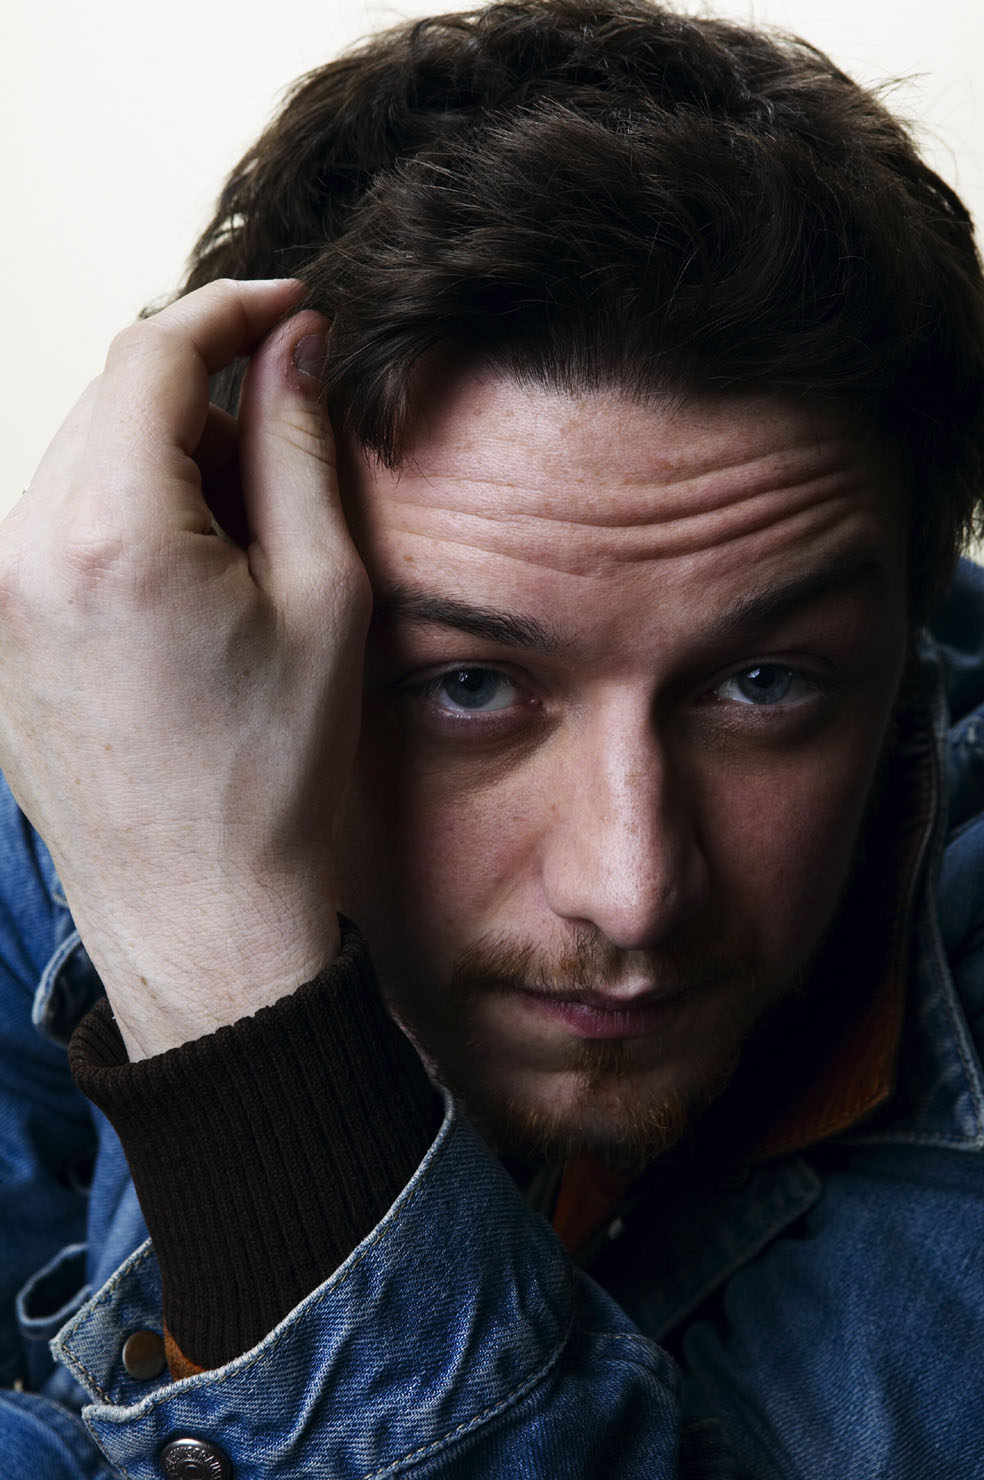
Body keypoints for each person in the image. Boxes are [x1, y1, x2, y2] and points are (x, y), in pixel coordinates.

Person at [2, 0, 984, 1473]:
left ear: (905, 639)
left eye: (766, 683)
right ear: (253, 606)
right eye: (467, 686)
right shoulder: (114, 746)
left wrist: (227, 1007)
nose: (631, 889)